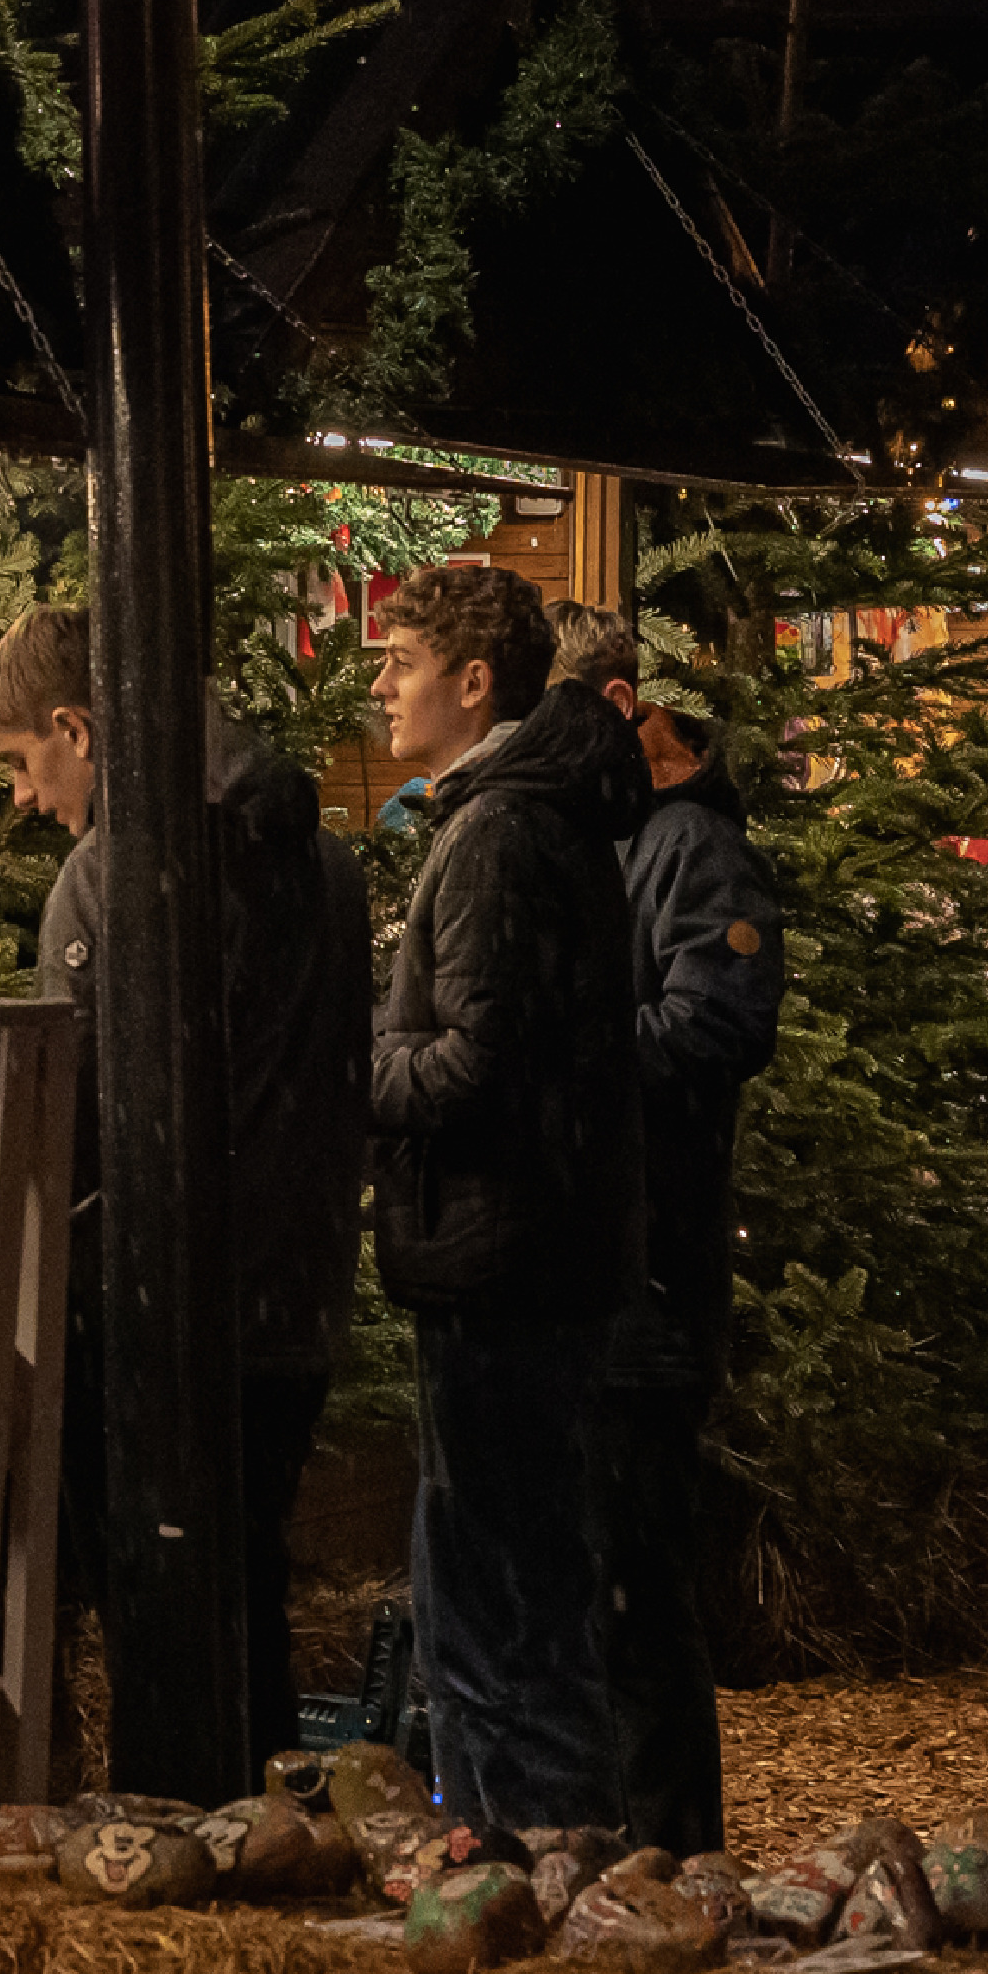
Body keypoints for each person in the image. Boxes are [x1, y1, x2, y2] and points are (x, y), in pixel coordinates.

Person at [0, 604, 371, 1768]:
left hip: (163, 1309)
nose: (26, 798)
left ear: (78, 728)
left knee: (161, 1607)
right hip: (295, 1292)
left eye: (20, 763)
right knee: (246, 1601)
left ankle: (176, 1848)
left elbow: (78, 1107)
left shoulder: (114, 878)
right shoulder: (323, 857)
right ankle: (257, 1839)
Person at [361, 558, 647, 1841]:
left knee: (501, 1620)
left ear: (474, 684)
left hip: (497, 1266)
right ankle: (529, 1869)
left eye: (402, 662)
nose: (380, 686)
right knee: (512, 1595)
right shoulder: (526, 817)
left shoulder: (497, 834)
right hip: (524, 1259)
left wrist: (362, 1070)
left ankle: (531, 1880)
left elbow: (482, 1061)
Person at [547, 603, 785, 1853]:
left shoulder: (688, 848)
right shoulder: (618, 841)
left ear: (618, 708)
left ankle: (672, 1855)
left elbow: (719, 1026)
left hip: (651, 1274)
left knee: (636, 1602)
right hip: (609, 1271)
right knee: (602, 1596)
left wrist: (567, 1054)